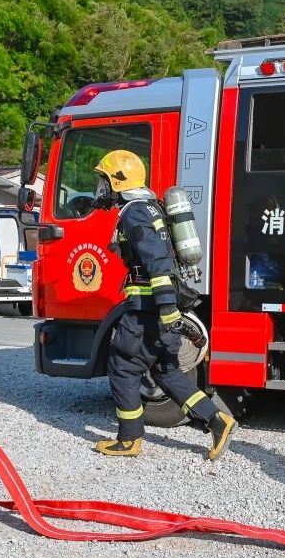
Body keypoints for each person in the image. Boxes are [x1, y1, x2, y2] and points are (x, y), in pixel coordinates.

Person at [91, 149, 237, 460]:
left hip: (147, 309)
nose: (100, 188)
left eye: (103, 181)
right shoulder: (152, 207)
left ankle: (129, 439)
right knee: (166, 371)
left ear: (117, 181)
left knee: (123, 367)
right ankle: (217, 419)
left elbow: (157, 262)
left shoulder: (134, 213)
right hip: (159, 307)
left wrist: (167, 307)